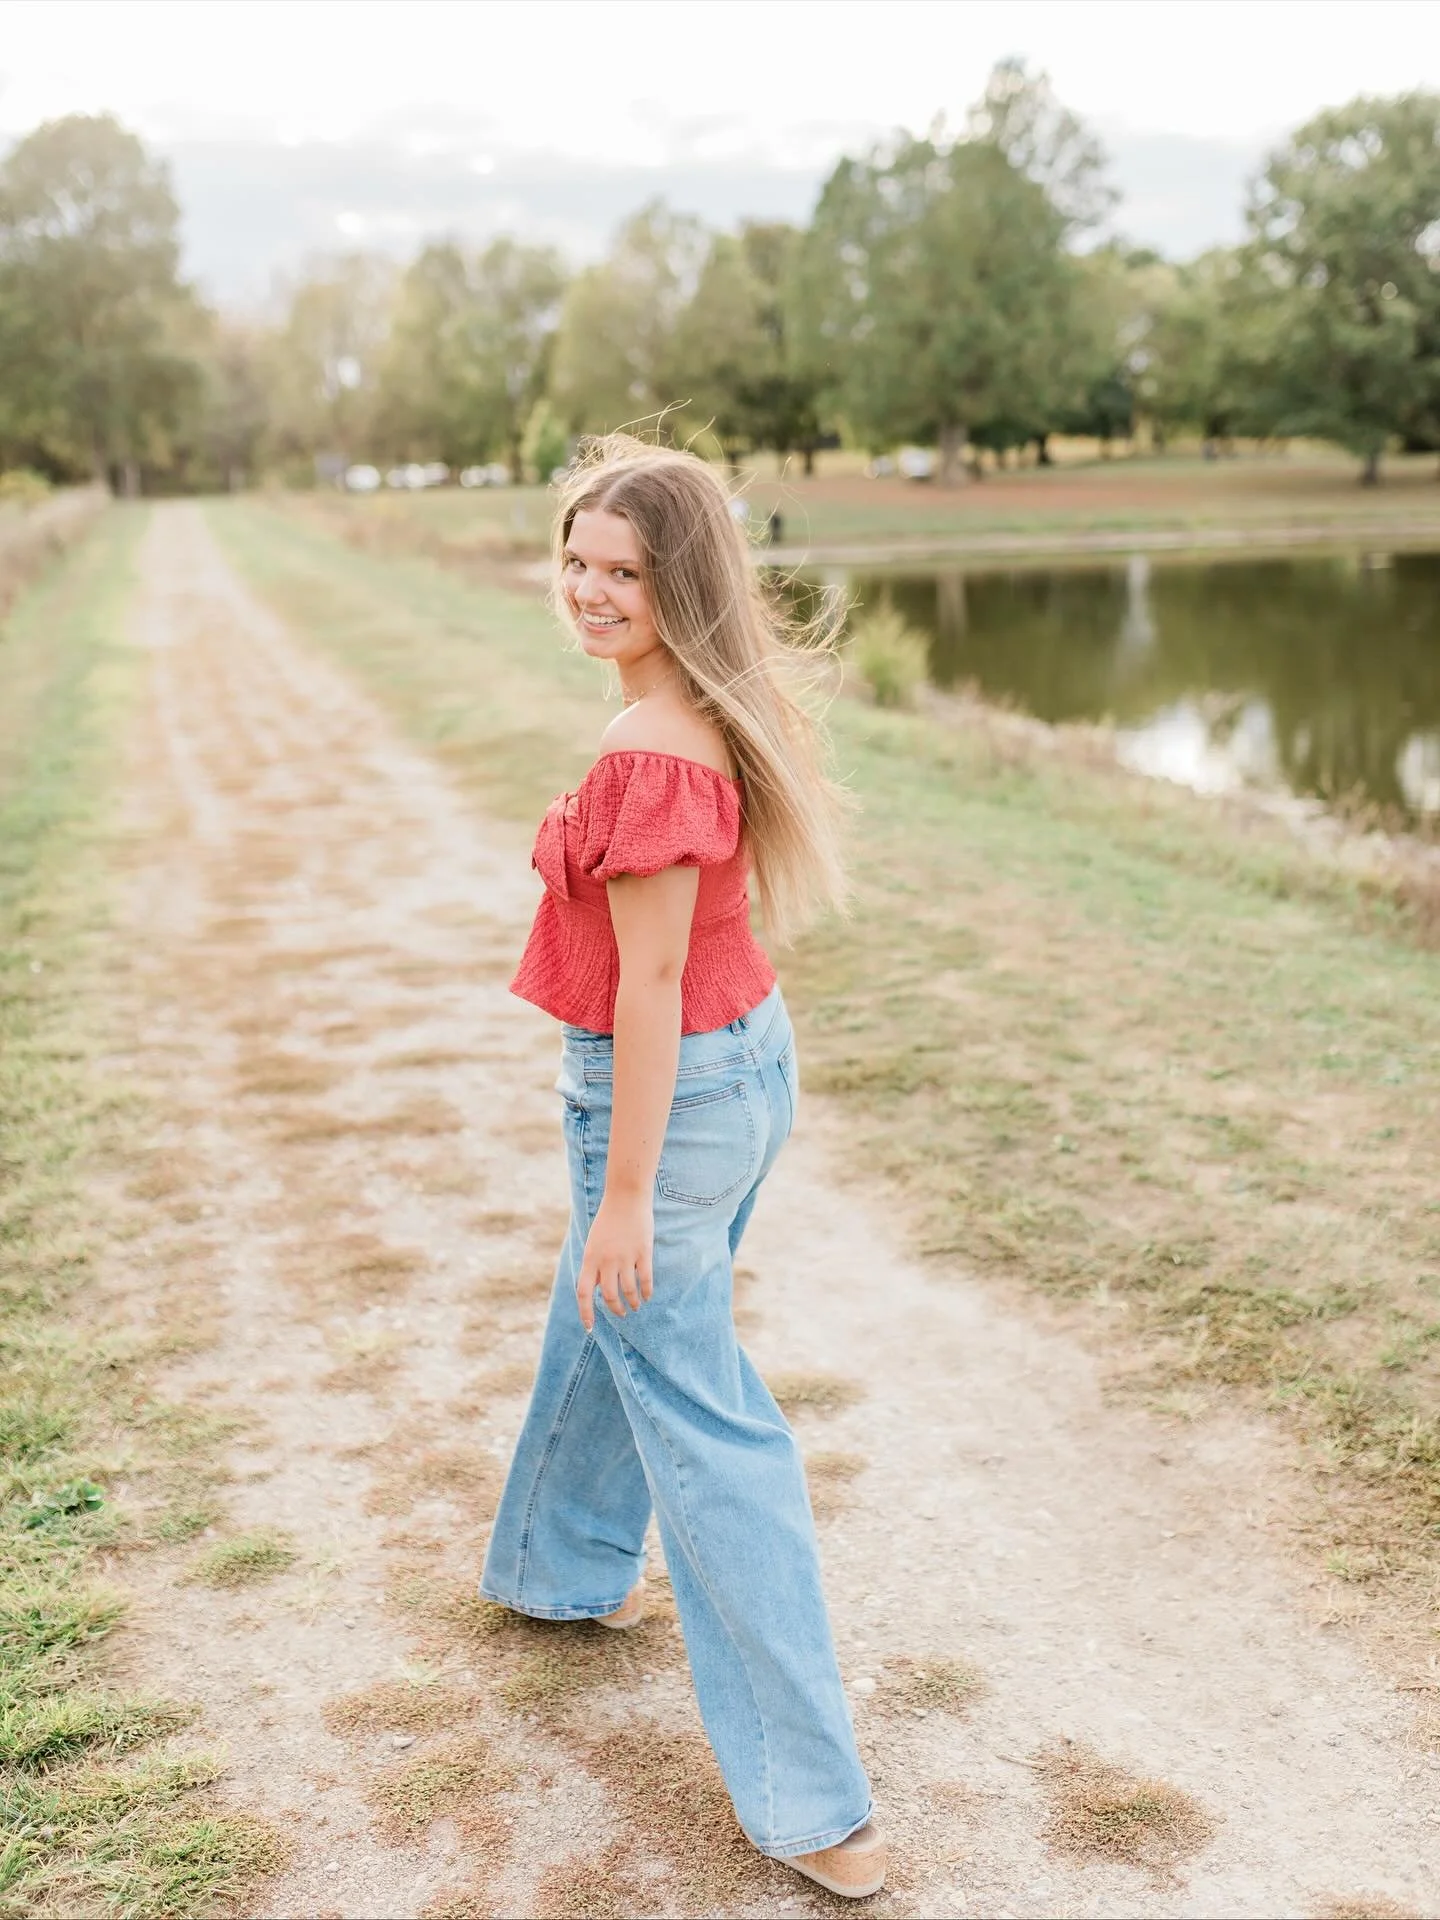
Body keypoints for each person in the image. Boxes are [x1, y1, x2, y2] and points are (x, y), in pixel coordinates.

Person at [481, 435, 885, 1900]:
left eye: (624, 573)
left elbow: (643, 988)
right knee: (609, 1313)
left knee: (710, 1427)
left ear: (681, 585)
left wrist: (632, 1193)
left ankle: (817, 1807)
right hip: (746, 1057)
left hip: (677, 1085)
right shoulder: (696, 705)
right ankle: (554, 1563)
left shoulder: (648, 749)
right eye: (577, 561)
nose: (589, 591)